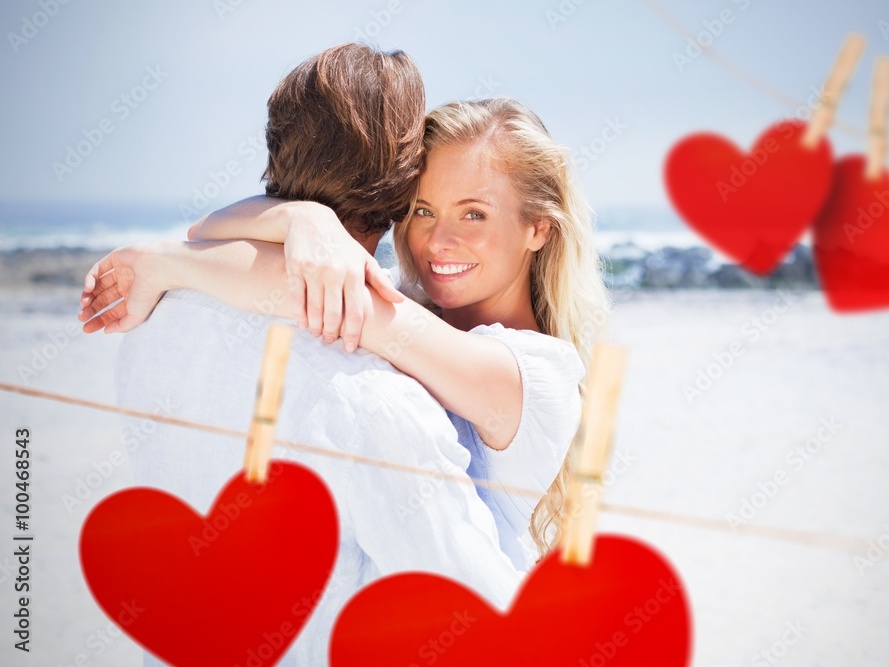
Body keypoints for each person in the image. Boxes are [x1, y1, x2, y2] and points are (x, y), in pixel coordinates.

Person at [79, 44, 525, 665]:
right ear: (405, 180)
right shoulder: (373, 392)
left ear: (277, 151)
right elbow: (477, 605)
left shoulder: (156, 309)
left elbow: (209, 233)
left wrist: (297, 217)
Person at [83, 97, 612, 569]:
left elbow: (316, 291)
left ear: (538, 228)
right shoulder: (411, 310)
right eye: (421, 210)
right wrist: (307, 220)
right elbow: (213, 227)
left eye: (473, 214)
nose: (438, 241)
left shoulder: (539, 376)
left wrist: (169, 265)